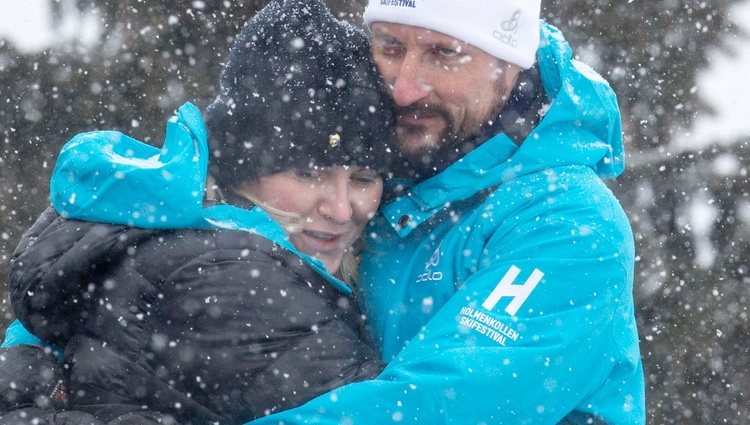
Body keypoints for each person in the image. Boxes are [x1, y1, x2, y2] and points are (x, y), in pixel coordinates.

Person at [247, 1, 646, 424]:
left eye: (443, 53)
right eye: (390, 47)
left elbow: (440, 407)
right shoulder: (374, 185)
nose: (404, 87)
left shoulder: (567, 222)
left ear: (509, 63)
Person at [1, 0, 395, 424]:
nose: (340, 209)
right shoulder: (240, 282)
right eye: (306, 174)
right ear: (243, 173)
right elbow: (404, 413)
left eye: (362, 178)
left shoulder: (172, 238)